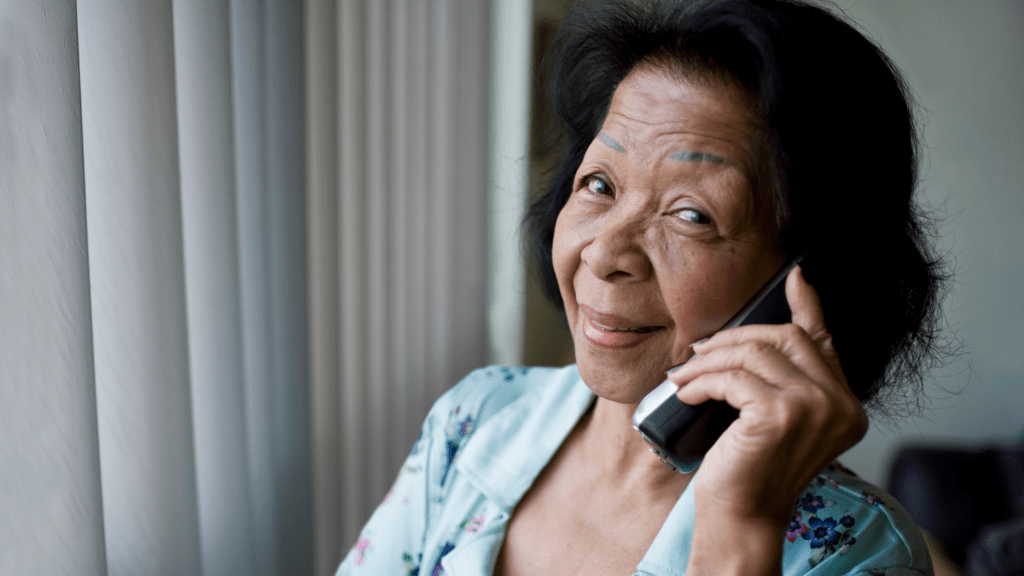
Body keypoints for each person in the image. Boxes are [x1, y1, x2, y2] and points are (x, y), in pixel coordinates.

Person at [336, 0, 947, 574]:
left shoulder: (856, 549)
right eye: (599, 184)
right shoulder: (477, 418)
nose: (603, 253)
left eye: (691, 215)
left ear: (810, 281)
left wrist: (743, 527)